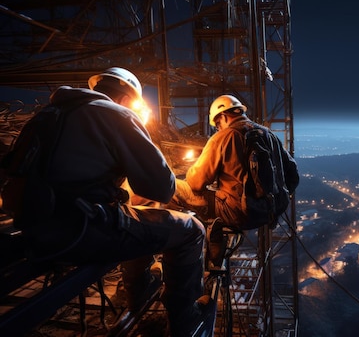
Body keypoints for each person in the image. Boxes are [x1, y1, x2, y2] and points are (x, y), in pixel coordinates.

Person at [4, 67, 207, 336]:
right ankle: (185, 323)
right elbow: (163, 188)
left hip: (32, 229)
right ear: (127, 99)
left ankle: (140, 288)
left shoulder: (46, 115)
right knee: (192, 231)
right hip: (80, 232)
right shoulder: (116, 114)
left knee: (137, 216)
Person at [173, 94, 299, 267]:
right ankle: (214, 242)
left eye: (217, 124)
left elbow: (195, 182)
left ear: (223, 117)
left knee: (172, 187)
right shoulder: (269, 135)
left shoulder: (223, 137)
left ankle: (172, 247)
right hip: (269, 213)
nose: (217, 129)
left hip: (237, 213)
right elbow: (293, 174)